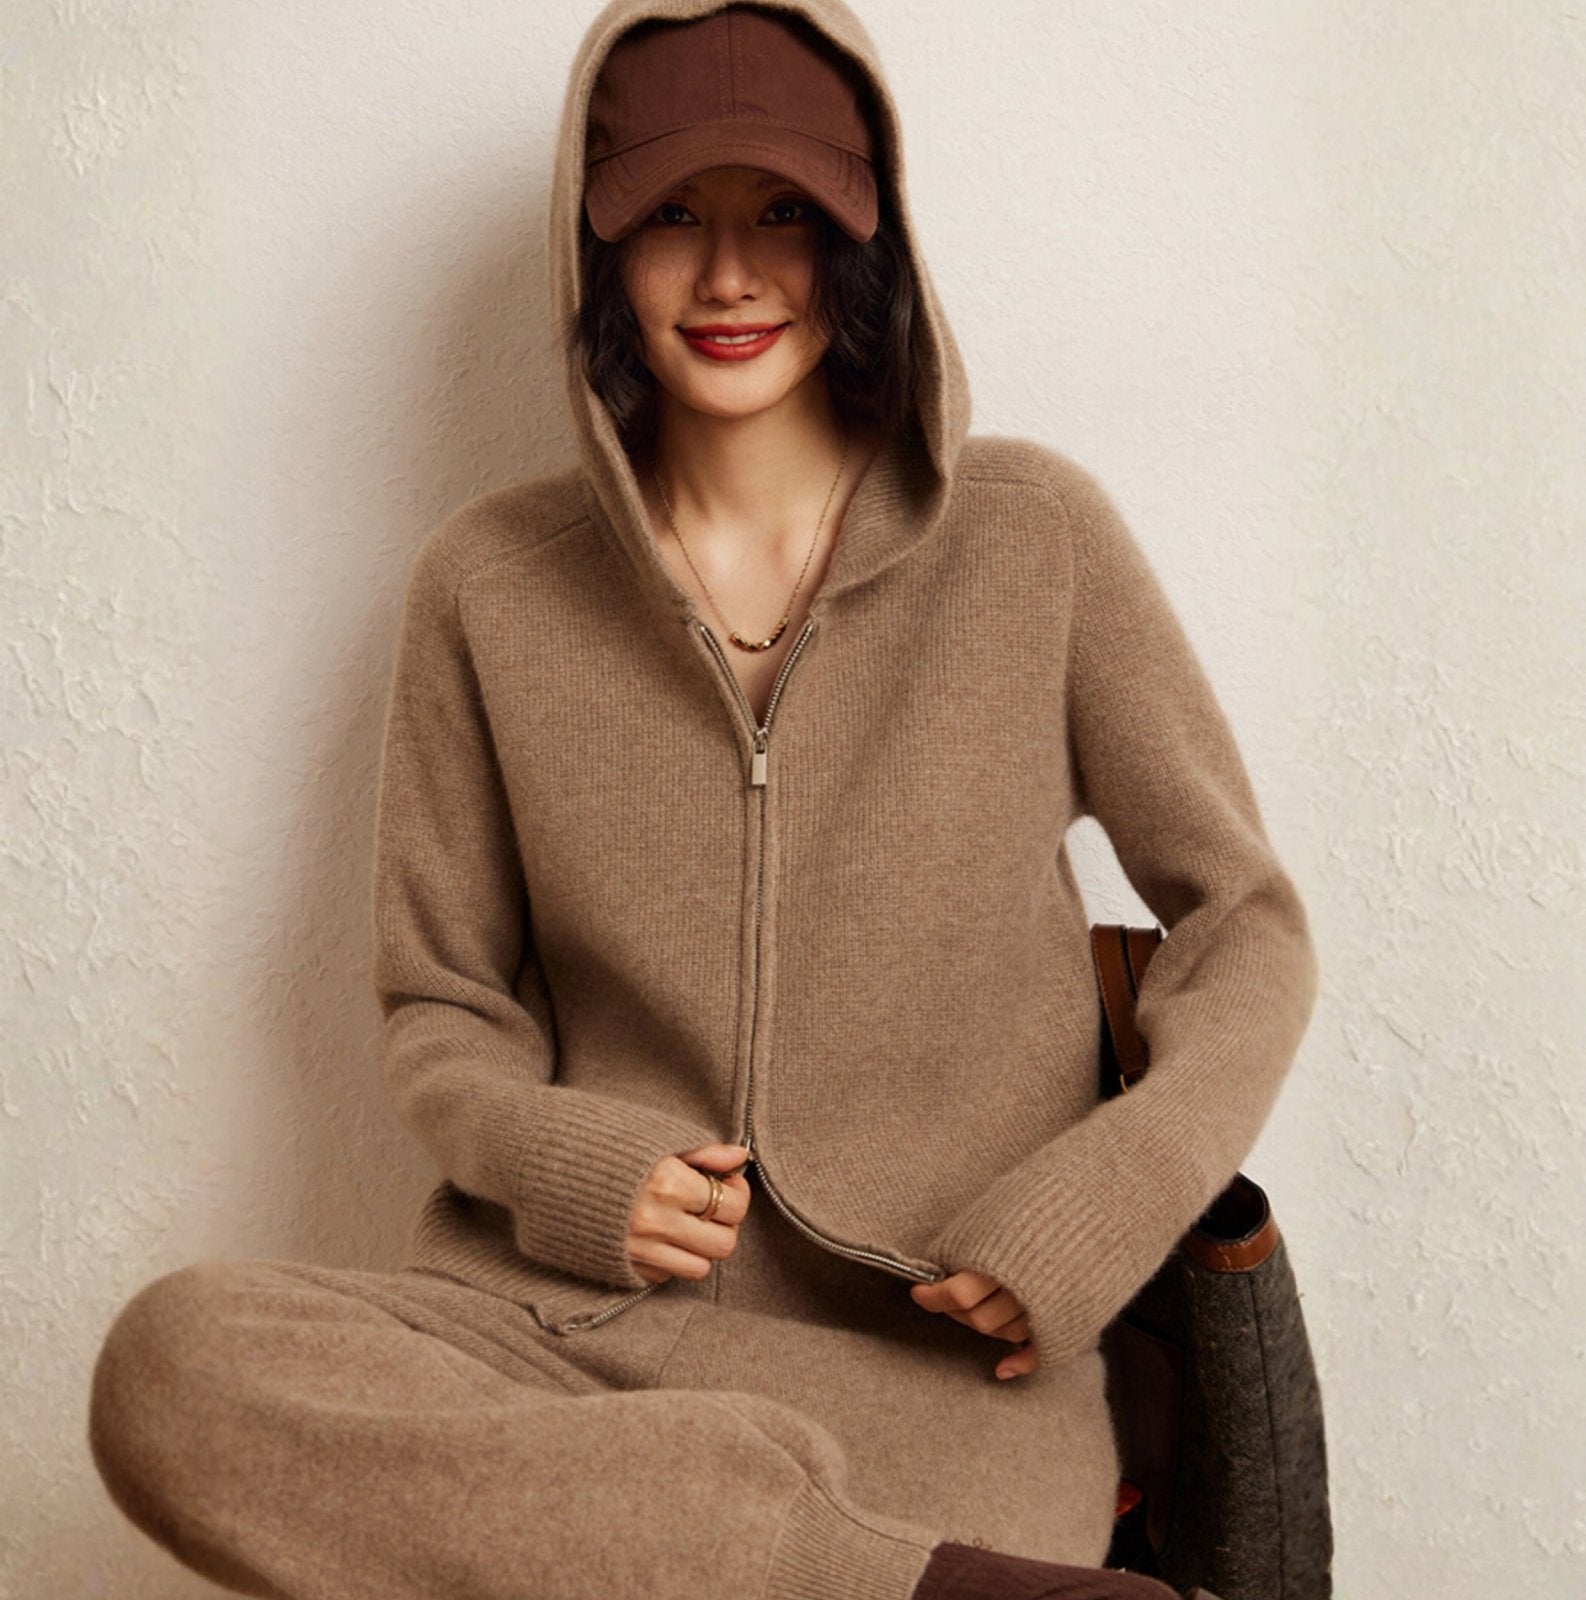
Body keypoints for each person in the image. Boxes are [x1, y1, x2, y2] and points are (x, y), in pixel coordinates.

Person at [85, 3, 1315, 1598]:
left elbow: (1246, 924)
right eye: (673, 214)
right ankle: (848, 1575)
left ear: (868, 237)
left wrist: (1102, 1203)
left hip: (936, 1377)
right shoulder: (488, 588)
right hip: (566, 1348)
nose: (731, 276)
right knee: (171, 1361)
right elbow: (442, 1006)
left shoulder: (1035, 540)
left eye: (783, 212)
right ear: (595, 248)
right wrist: (565, 1160)